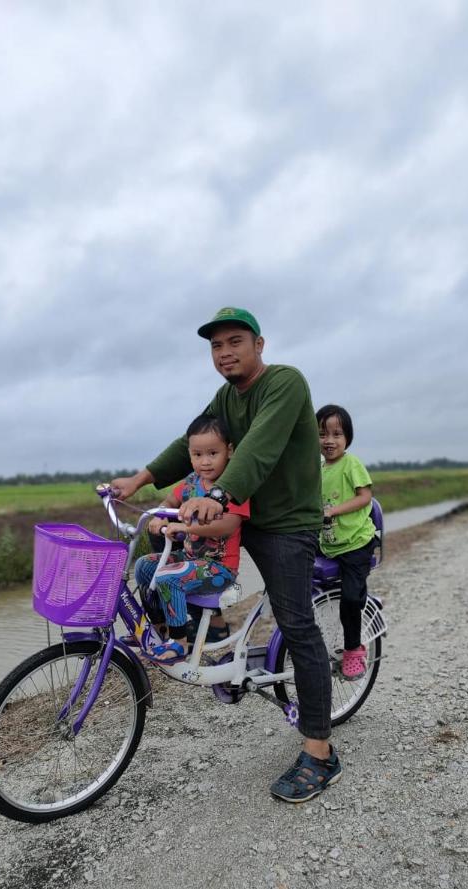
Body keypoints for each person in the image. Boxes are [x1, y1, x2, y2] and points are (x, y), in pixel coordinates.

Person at [112, 307, 341, 803]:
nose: (225, 352)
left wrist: (216, 495)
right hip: (240, 515)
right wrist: (142, 479)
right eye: (216, 346)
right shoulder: (226, 397)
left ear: (259, 344)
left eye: (235, 341)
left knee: (297, 624)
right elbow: (193, 442)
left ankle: (320, 751)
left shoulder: (285, 383)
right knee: (163, 545)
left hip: (284, 522)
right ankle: (205, 628)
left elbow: (258, 448)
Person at [134, 414, 249, 661]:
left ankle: (179, 642)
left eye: (212, 453)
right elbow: (170, 501)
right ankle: (159, 628)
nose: (205, 462)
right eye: (197, 455)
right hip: (188, 558)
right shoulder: (190, 483)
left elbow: (228, 525)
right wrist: (161, 517)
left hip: (218, 568)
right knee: (144, 567)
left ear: (229, 451)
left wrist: (187, 529)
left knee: (168, 577)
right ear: (189, 454)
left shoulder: (233, 487)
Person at [316, 404, 376, 680]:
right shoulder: (316, 469)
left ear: (347, 438)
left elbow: (365, 497)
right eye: (322, 434)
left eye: (336, 434)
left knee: (351, 598)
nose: (329, 441)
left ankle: (354, 649)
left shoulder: (351, 464)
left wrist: (333, 511)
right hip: (328, 542)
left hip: (355, 543)